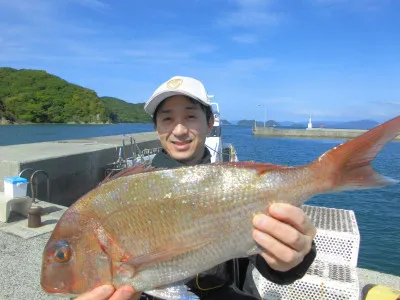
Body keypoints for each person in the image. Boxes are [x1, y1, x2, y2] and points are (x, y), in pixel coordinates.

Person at [77, 76, 317, 300]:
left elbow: (270, 264)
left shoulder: (234, 187)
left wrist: (294, 257)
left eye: (190, 117)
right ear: (157, 128)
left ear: (210, 122)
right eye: (167, 119)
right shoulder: (129, 194)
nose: (179, 130)